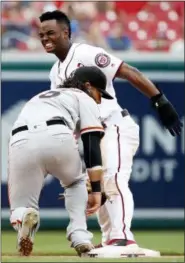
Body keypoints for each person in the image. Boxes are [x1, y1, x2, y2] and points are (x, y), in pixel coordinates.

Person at [38, 10, 183, 256]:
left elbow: (128, 72)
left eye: (50, 32)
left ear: (65, 32)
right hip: (91, 134)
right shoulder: (55, 72)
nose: (45, 38)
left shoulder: (86, 53)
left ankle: (124, 239)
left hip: (114, 125)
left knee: (113, 179)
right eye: (41, 34)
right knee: (98, 188)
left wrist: (159, 99)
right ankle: (110, 239)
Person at [8, 66, 114, 257]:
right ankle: (80, 237)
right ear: (88, 86)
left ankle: (24, 216)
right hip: (57, 135)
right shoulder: (83, 96)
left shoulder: (42, 95)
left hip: (19, 139)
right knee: (76, 182)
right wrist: (96, 190)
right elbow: (91, 144)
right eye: (99, 93)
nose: (99, 99)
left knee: (20, 207)